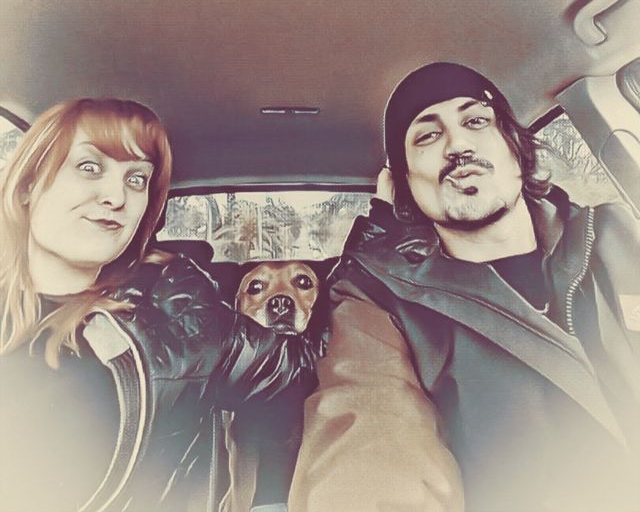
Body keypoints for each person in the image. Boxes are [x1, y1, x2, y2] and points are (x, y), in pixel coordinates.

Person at [289, 62, 640, 512]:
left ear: (516, 149)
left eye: (476, 121)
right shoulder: (375, 304)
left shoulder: (619, 234)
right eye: (427, 136)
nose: (457, 145)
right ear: (404, 183)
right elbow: (368, 439)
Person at [0, 97, 316, 512]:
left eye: (137, 179)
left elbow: (297, 371)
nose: (116, 195)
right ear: (27, 185)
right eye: (89, 167)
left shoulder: (182, 319)